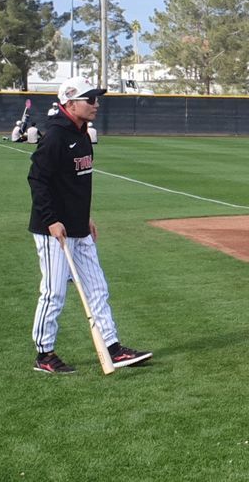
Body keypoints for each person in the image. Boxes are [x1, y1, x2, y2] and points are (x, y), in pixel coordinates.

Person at [27, 75, 151, 373]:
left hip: (79, 226)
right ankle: (44, 354)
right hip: (53, 230)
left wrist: (86, 216)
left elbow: (76, 184)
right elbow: (37, 179)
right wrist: (52, 220)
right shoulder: (56, 136)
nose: (96, 104)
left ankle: (112, 347)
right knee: (54, 292)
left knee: (97, 288)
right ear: (70, 103)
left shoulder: (83, 134)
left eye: (97, 98)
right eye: (90, 99)